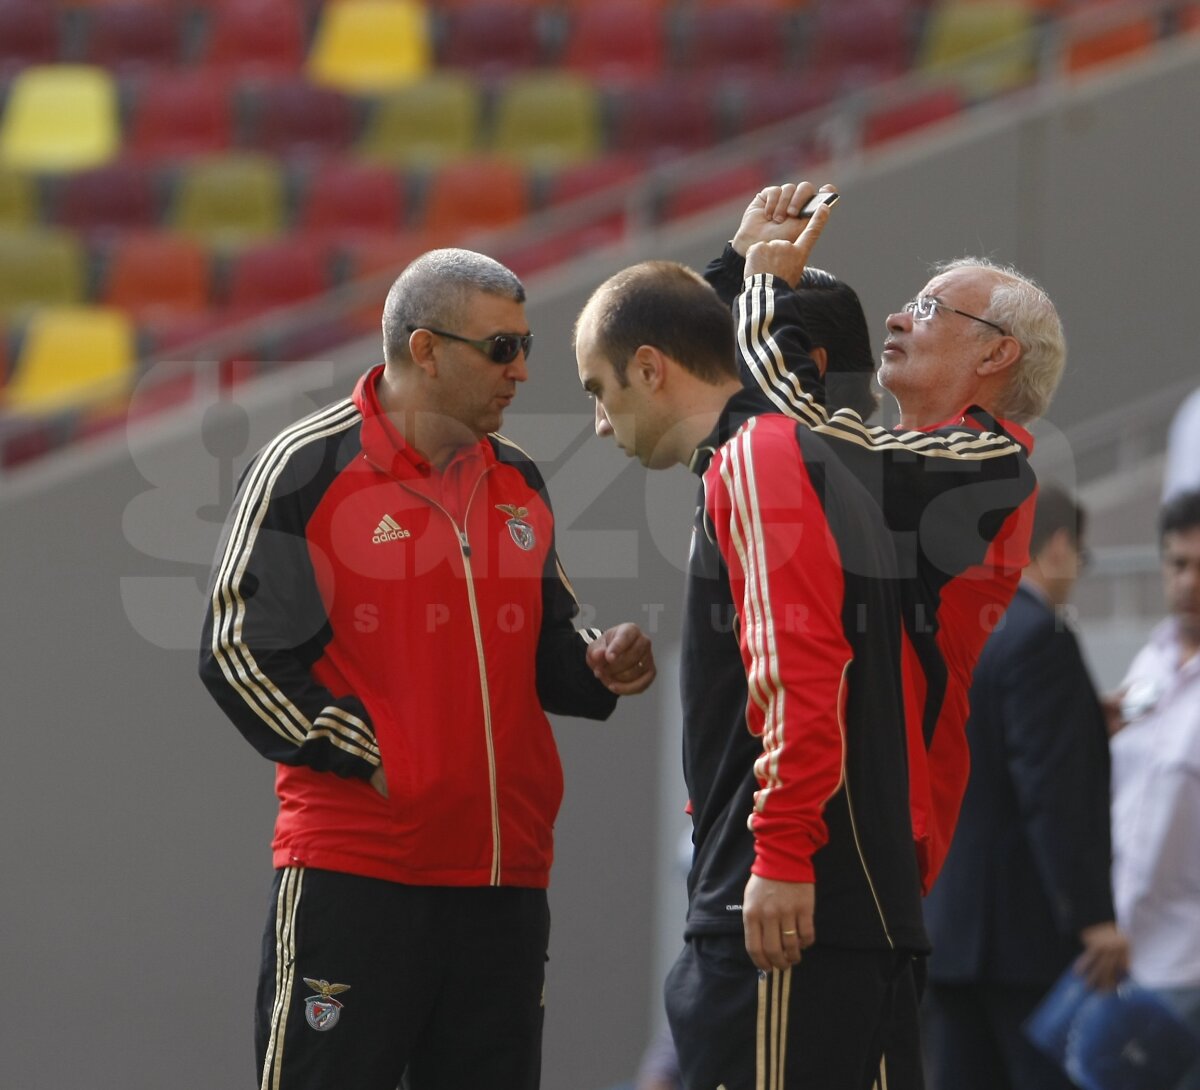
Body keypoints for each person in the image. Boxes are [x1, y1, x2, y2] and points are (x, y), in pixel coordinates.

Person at [198, 247, 657, 1090]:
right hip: (359, 873)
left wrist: (600, 663)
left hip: (505, 879)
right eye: (501, 348)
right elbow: (236, 647)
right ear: (426, 350)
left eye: (525, 346)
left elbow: (548, 644)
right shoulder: (306, 466)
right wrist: (368, 752)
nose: (522, 370)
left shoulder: (516, 477)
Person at [703, 181, 1067, 1088]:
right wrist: (735, 269)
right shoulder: (891, 459)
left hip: (861, 834)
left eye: (931, 309)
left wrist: (764, 291)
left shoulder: (989, 462)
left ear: (997, 354)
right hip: (828, 820)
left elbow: (792, 440)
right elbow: (715, 406)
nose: (899, 317)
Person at [575, 259, 928, 1089]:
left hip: (784, 919)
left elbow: (802, 672)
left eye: (598, 389)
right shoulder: (808, 460)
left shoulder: (756, 458)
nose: (598, 423)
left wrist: (780, 853)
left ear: (650, 368)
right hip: (849, 918)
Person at [921, 484, 1130, 1090]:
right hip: (1021, 942)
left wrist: (1082, 721)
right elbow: (1051, 794)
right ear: (1058, 547)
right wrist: (1093, 916)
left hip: (948, 931)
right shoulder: (1043, 635)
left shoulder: (959, 626)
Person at [1108, 487, 1200, 1090]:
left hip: (1191, 962)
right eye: (1178, 564)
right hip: (1125, 955)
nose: (1188, 582)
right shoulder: (1151, 662)